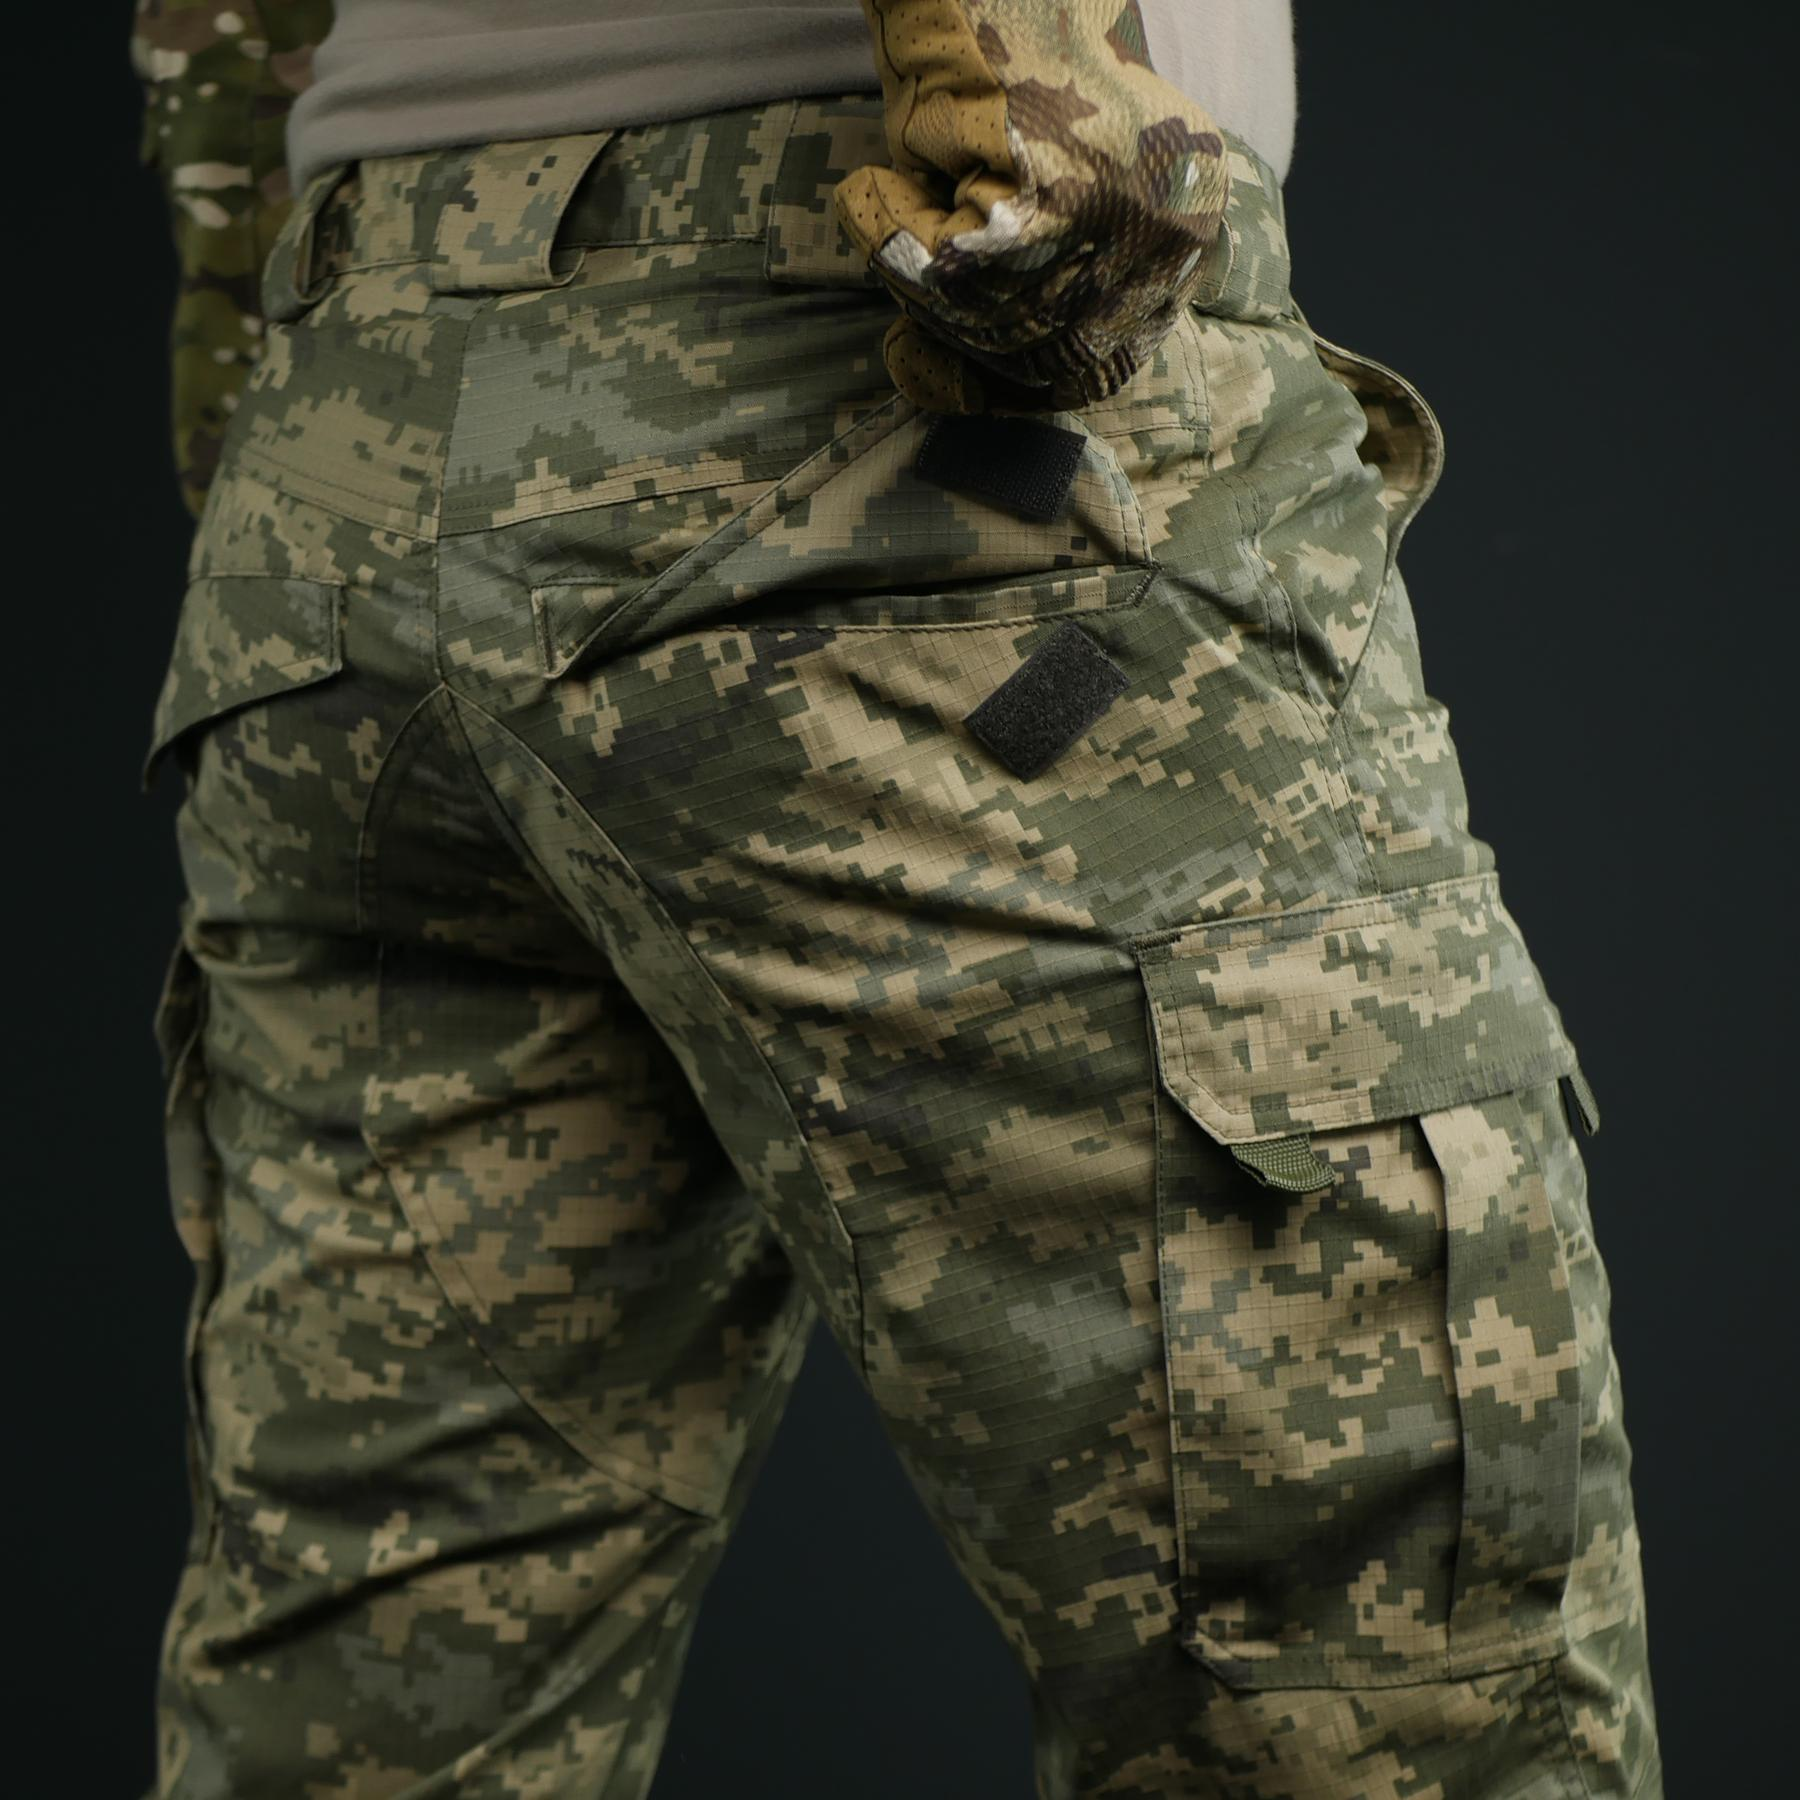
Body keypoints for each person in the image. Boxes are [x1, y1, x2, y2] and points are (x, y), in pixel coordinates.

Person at [130, 4, 1662, 1795]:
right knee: (1386, 1697)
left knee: (372, 1703)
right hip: (897, 390)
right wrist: (1044, 129)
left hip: (342, 460)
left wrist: (266, 363)